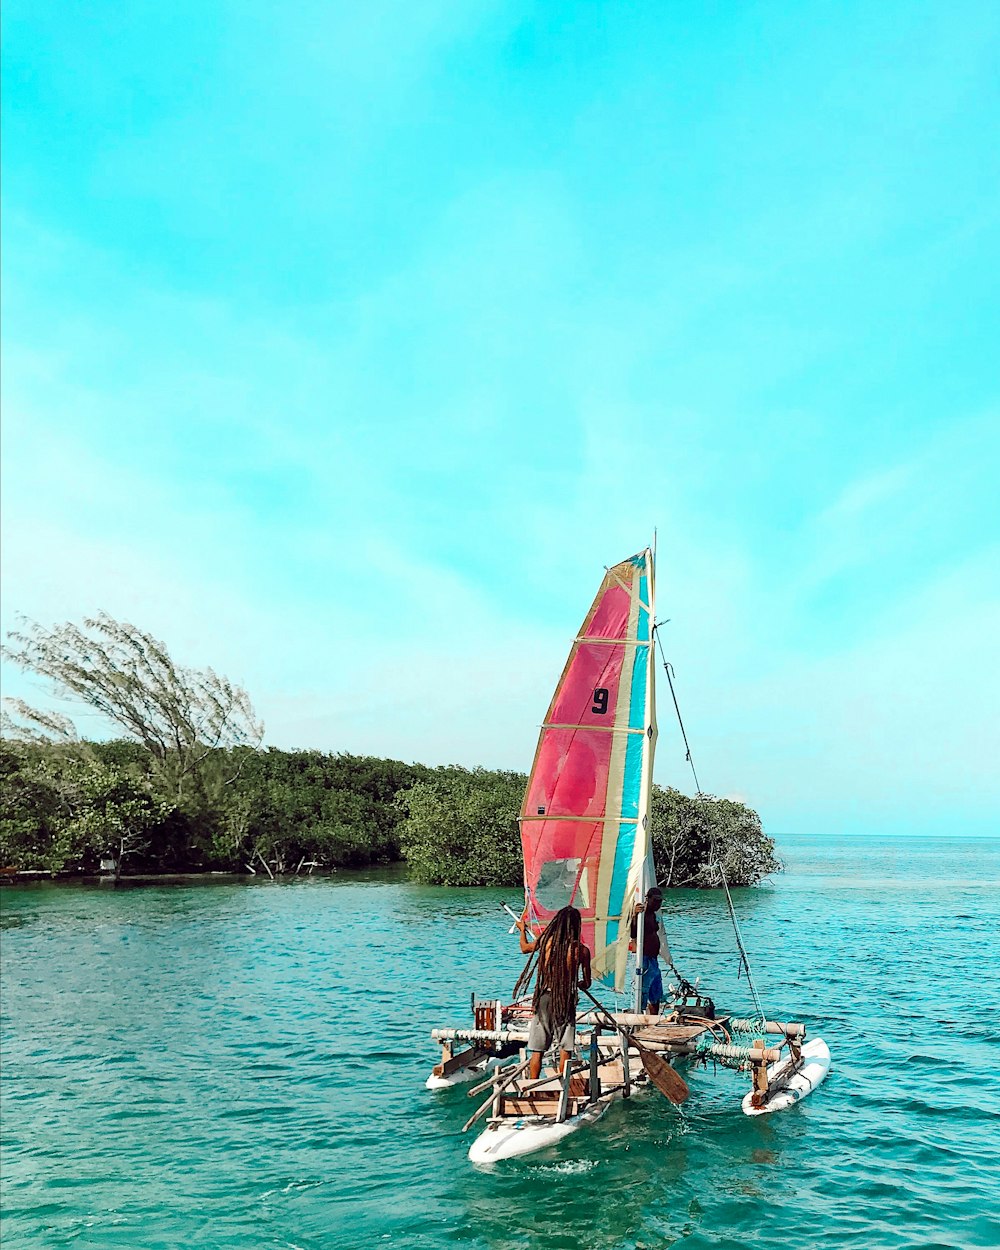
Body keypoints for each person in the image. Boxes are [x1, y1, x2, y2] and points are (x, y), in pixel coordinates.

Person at [513, 905, 592, 1080]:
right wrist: (579, 983)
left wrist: (522, 930)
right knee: (565, 1047)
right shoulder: (582, 951)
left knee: (537, 1050)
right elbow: (587, 983)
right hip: (565, 1000)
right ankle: (562, 1087)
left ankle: (531, 1089)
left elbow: (524, 948)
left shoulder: (547, 942)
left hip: (544, 998)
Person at [629, 886, 674, 1015]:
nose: (658, 903)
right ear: (647, 899)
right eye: (655, 900)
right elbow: (632, 933)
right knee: (640, 992)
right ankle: (637, 1020)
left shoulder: (654, 915)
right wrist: (634, 914)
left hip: (653, 960)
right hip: (641, 959)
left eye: (660, 901)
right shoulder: (640, 914)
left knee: (655, 995)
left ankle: (653, 1022)